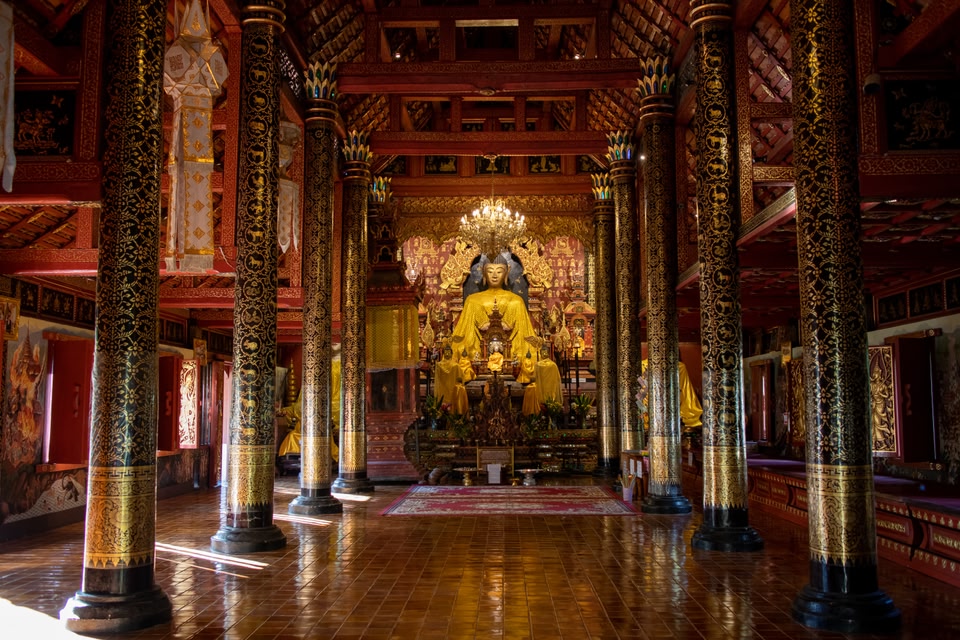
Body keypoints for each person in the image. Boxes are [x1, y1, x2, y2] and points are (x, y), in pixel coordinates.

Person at [451, 256, 539, 363]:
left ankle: (511, 359)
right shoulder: (472, 300)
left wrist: (507, 326)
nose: (494, 276)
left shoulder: (516, 300)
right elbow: (464, 334)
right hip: (479, 347)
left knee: (527, 353)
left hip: (510, 346)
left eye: (499, 271)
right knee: (461, 350)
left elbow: (524, 335)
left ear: (506, 273)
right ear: (484, 274)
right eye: (490, 271)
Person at [639, 359, 703, 429]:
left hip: (672, 411)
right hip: (648, 411)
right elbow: (640, 392)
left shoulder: (679, 367)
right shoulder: (642, 366)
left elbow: (685, 394)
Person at [434, 344, 469, 415]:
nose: (447, 353)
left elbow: (461, 379)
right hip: (444, 390)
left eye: (448, 351)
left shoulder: (455, 366)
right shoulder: (439, 365)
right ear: (443, 353)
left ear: (452, 353)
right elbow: (462, 379)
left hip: (452, 391)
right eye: (446, 351)